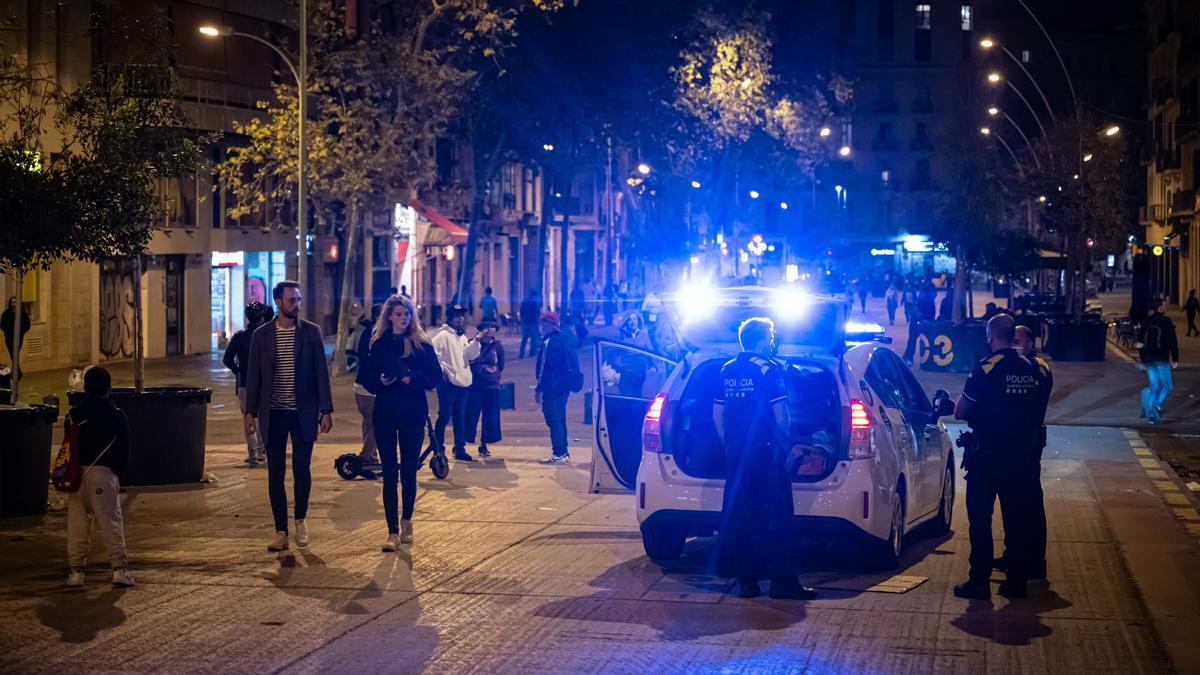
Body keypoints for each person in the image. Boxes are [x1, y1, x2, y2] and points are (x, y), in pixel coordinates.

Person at [712, 318, 816, 600]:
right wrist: (787, 448)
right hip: (767, 454)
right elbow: (782, 417)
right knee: (778, 516)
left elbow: (718, 416)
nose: (773, 341)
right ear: (759, 340)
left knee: (743, 515)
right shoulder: (769, 370)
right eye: (770, 336)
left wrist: (731, 446)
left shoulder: (726, 370)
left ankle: (748, 583)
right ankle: (783, 583)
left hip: (737, 454)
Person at [952, 314, 1043, 600]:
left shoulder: (987, 368)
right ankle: (1016, 581)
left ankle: (979, 581)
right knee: (1015, 519)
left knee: (981, 519)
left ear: (990, 335)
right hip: (1020, 457)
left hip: (987, 457)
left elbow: (961, 412)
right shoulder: (1031, 368)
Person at [245, 280, 334, 553]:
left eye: (298, 299)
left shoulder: (311, 332)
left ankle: (301, 521)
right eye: (291, 300)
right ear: (278, 302)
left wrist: (326, 410)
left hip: (303, 412)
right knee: (275, 474)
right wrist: (250, 412)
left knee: (301, 469)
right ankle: (280, 530)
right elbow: (254, 377)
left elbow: (321, 372)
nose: (296, 304)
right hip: (273, 414)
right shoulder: (261, 336)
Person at [365, 294, 443, 550]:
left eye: (406, 314)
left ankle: (407, 519)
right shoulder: (378, 343)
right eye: (398, 314)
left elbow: (435, 378)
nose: (402, 318)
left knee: (408, 471)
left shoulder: (422, 345)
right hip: (386, 412)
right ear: (389, 317)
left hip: (412, 412)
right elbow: (366, 378)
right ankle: (391, 531)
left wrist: (415, 379)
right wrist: (381, 382)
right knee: (389, 472)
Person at [65, 366, 134, 589]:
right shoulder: (116, 414)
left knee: (77, 524)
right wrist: (117, 472)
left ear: (85, 388)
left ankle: (76, 572)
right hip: (104, 473)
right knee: (110, 522)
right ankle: (119, 570)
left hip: (76, 475)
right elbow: (125, 447)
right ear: (109, 387)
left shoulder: (74, 414)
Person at [995, 324, 1052, 581]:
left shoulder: (1036, 368)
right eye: (1012, 340)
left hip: (1026, 444)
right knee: (1014, 503)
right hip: (1018, 444)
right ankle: (1014, 555)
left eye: (1019, 341)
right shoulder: (1022, 367)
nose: (1015, 345)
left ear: (1031, 344)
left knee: (1027, 504)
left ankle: (1034, 561)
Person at [222, 302, 272, 466]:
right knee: (264, 415)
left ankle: (253, 452)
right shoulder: (268, 335)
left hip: (244, 383)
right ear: (262, 317)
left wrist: (238, 371)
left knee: (248, 416)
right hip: (265, 383)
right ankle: (264, 449)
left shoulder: (239, 336)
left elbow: (227, 359)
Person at [432, 304, 482, 461]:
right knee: (445, 416)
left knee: (460, 416)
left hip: (463, 383)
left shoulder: (461, 336)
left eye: (462, 315)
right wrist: (442, 373)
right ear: (450, 317)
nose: (460, 318)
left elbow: (470, 356)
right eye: (456, 315)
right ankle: (438, 446)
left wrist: (475, 342)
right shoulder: (442, 336)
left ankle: (459, 448)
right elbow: (434, 356)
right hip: (448, 384)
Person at [536, 311, 579, 464]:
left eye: (543, 323)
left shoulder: (550, 343)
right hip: (562, 388)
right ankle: (563, 452)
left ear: (549, 324)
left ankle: (559, 453)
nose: (541, 326)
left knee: (554, 421)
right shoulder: (561, 340)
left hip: (552, 389)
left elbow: (544, 369)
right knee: (560, 420)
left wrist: (539, 389)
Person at [465, 320, 505, 458]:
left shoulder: (497, 346)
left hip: (492, 386)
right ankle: (461, 444)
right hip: (475, 386)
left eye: (493, 327)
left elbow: (501, 364)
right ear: (480, 329)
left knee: (490, 417)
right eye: (486, 327)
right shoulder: (473, 343)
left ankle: (484, 445)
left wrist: (494, 375)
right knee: (470, 415)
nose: (490, 329)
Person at [1137, 297, 1179, 424]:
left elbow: (1139, 344)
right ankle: (1157, 407)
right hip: (1162, 359)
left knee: (1154, 387)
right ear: (1160, 307)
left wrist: (1144, 360)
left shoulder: (1146, 322)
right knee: (1167, 385)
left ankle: (1151, 417)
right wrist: (1175, 358)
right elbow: (1173, 341)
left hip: (1149, 360)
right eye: (1164, 305)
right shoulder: (1166, 322)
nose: (1166, 307)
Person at [354, 304, 383, 466]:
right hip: (368, 386)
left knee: (369, 422)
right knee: (375, 423)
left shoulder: (370, 332)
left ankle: (371, 456)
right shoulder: (373, 334)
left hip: (364, 385)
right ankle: (365, 457)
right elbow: (370, 361)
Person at [1, 296, 30, 378]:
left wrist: (21, 332)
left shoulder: (23, 314)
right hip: (9, 337)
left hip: (18, 337)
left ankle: (16, 372)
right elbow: (2, 325)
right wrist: (7, 331)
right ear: (10, 303)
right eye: (12, 302)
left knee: (15, 354)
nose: (14, 304)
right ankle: (18, 372)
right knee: (12, 354)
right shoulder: (6, 313)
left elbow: (27, 325)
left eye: (15, 302)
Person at [519, 289, 542, 359]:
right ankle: (532, 353)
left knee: (524, 338)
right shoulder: (535, 302)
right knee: (533, 338)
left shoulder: (524, 301)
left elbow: (521, 311)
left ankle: (521, 353)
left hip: (525, 322)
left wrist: (522, 319)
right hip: (533, 322)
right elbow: (537, 312)